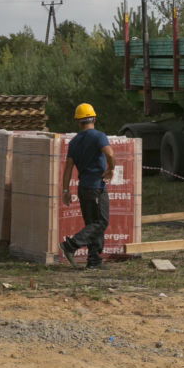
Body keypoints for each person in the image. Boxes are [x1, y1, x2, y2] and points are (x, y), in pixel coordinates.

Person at [59, 103, 116, 270]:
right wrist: (111, 169)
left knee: (92, 223)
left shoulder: (74, 142)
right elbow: (110, 154)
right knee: (101, 222)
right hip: (96, 187)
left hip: (83, 188)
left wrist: (65, 190)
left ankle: (94, 260)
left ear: (78, 122)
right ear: (94, 119)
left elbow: (68, 168)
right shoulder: (99, 136)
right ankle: (70, 245)